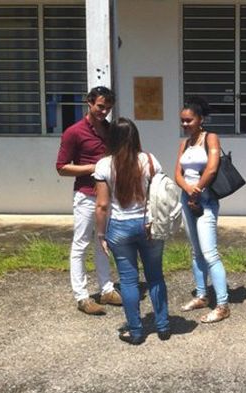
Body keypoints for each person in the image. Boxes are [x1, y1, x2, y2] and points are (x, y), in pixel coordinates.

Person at [94, 117, 169, 345]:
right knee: (155, 276)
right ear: (135, 136)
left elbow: (102, 205)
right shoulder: (149, 160)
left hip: (119, 228)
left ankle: (136, 332)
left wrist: (100, 234)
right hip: (149, 226)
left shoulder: (104, 165)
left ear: (112, 138)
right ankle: (163, 326)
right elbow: (160, 195)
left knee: (128, 281)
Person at [55, 86, 122, 315]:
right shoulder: (74, 132)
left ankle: (106, 289)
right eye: (100, 106)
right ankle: (82, 297)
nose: (104, 111)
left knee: (104, 243)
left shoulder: (111, 130)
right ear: (90, 103)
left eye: (108, 108)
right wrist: (95, 167)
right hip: (85, 194)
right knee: (81, 244)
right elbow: (62, 167)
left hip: (109, 195)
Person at [174, 97, 230, 323]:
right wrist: (187, 189)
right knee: (196, 251)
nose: (185, 124)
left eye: (189, 120)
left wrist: (196, 189)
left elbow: (213, 167)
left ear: (200, 119)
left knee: (210, 253)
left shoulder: (211, 138)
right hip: (187, 199)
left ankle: (223, 304)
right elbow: (177, 171)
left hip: (205, 200)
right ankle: (201, 295)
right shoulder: (184, 144)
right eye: (183, 121)